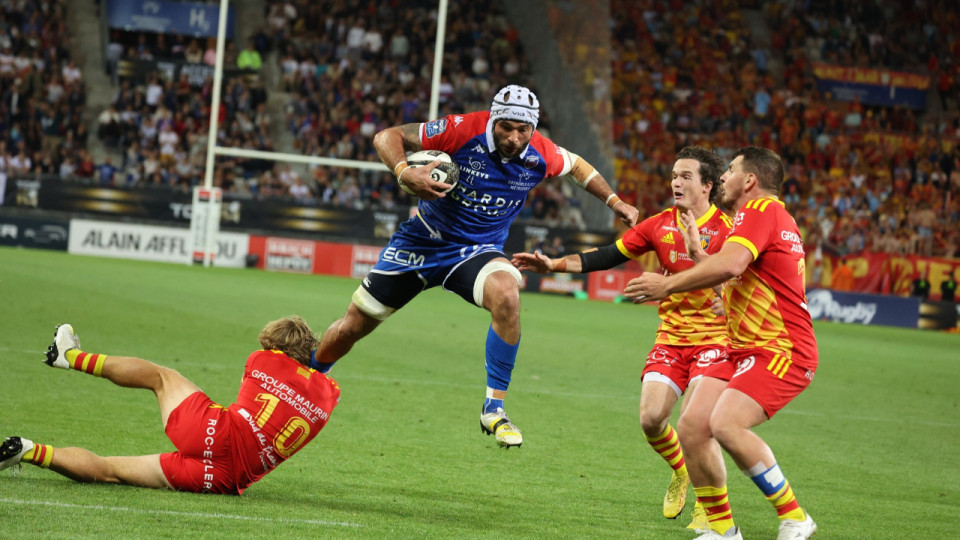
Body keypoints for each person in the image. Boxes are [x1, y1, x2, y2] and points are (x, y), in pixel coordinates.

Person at [313, 85, 638, 448]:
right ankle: (311, 375)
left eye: (523, 130)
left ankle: (494, 407)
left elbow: (578, 165)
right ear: (493, 118)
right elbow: (386, 136)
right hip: (423, 240)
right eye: (506, 128)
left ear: (534, 128)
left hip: (477, 251)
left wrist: (614, 202)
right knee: (350, 329)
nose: (514, 138)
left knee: (508, 295)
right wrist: (405, 172)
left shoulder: (541, 153)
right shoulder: (461, 129)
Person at [512, 146, 731, 529]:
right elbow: (605, 256)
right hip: (672, 337)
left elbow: (737, 283)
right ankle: (681, 472)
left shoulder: (729, 231)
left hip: (716, 339)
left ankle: (709, 508)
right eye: (674, 175)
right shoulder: (660, 224)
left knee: (695, 426)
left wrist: (719, 298)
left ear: (707, 186)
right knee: (650, 419)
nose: (676, 183)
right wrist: (555, 264)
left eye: (686, 177)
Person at [624, 147, 818, 540]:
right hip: (742, 347)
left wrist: (667, 284)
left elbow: (731, 265)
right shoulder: (763, 218)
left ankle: (795, 516)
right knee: (693, 428)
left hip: (781, 349)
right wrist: (698, 253)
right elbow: (735, 275)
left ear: (750, 181)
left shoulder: (761, 211)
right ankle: (723, 532)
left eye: (730, 170)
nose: (724, 177)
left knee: (726, 424)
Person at [1, 318, 340, 495]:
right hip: (224, 478)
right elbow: (323, 367)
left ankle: (70, 356)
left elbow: (270, 368)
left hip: (213, 433)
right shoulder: (329, 395)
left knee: (161, 377)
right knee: (108, 471)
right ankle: (29, 451)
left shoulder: (262, 360)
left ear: (277, 347)